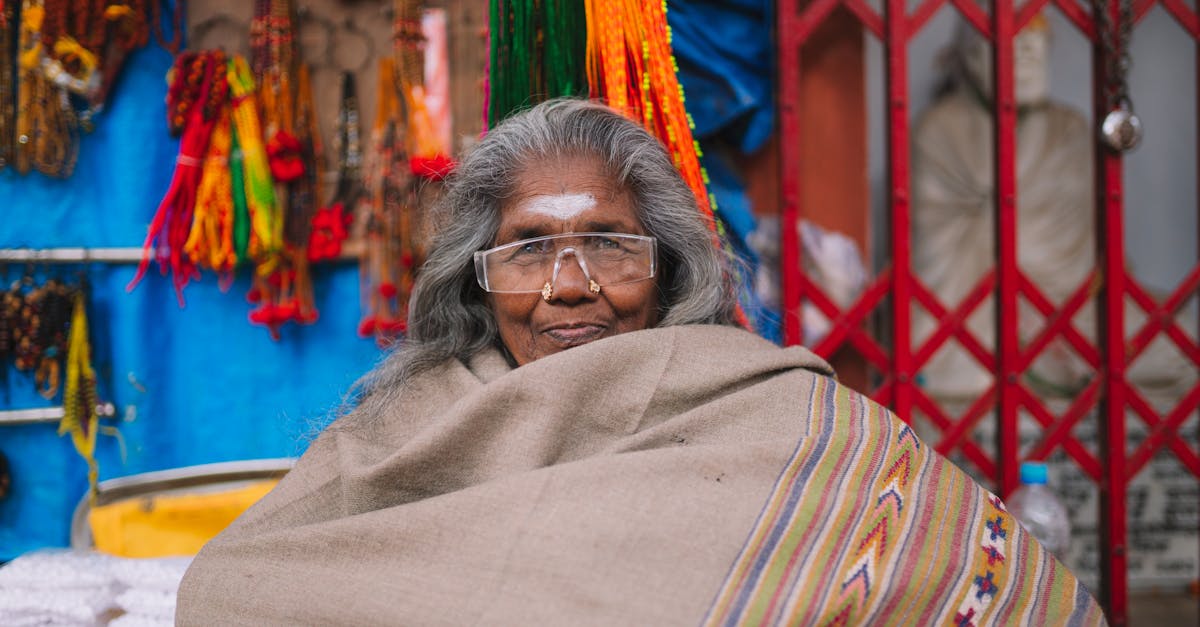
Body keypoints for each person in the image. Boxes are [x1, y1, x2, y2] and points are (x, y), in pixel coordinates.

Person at [177, 98, 1105, 625]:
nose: (570, 287)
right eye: (529, 250)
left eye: (610, 244)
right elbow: (232, 588)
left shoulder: (781, 417)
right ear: (478, 279)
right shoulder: (407, 430)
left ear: (666, 267)